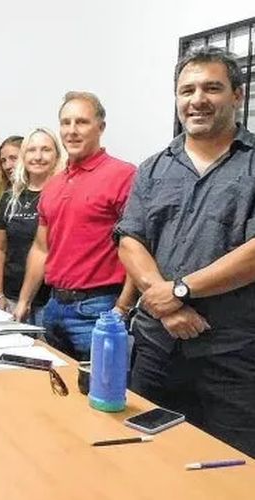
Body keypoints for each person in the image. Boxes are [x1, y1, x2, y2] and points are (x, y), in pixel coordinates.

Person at [116, 46, 255, 458]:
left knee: (229, 467)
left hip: (231, 354)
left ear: (237, 95)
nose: (197, 99)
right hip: (155, 348)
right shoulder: (154, 167)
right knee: (142, 455)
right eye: (187, 90)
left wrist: (179, 290)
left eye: (212, 88)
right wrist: (166, 304)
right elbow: (130, 240)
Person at [13, 92, 136, 360]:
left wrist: (123, 308)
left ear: (100, 127)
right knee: (57, 383)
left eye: (81, 122)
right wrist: (23, 301)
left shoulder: (123, 175)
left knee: (100, 384)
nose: (72, 130)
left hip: (99, 309)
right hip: (54, 307)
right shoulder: (54, 184)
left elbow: (139, 246)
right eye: (65, 123)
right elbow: (41, 248)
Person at [0, 128, 64, 326]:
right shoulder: (10, 198)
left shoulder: (63, 196)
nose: (38, 156)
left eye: (46, 150)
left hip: (51, 300)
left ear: (57, 156)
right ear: (24, 156)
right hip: (11, 298)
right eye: (32, 150)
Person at [0, 135, 24, 201]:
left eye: (13, 158)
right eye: (3, 161)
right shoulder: (4, 197)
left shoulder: (43, 194)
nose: (7, 166)